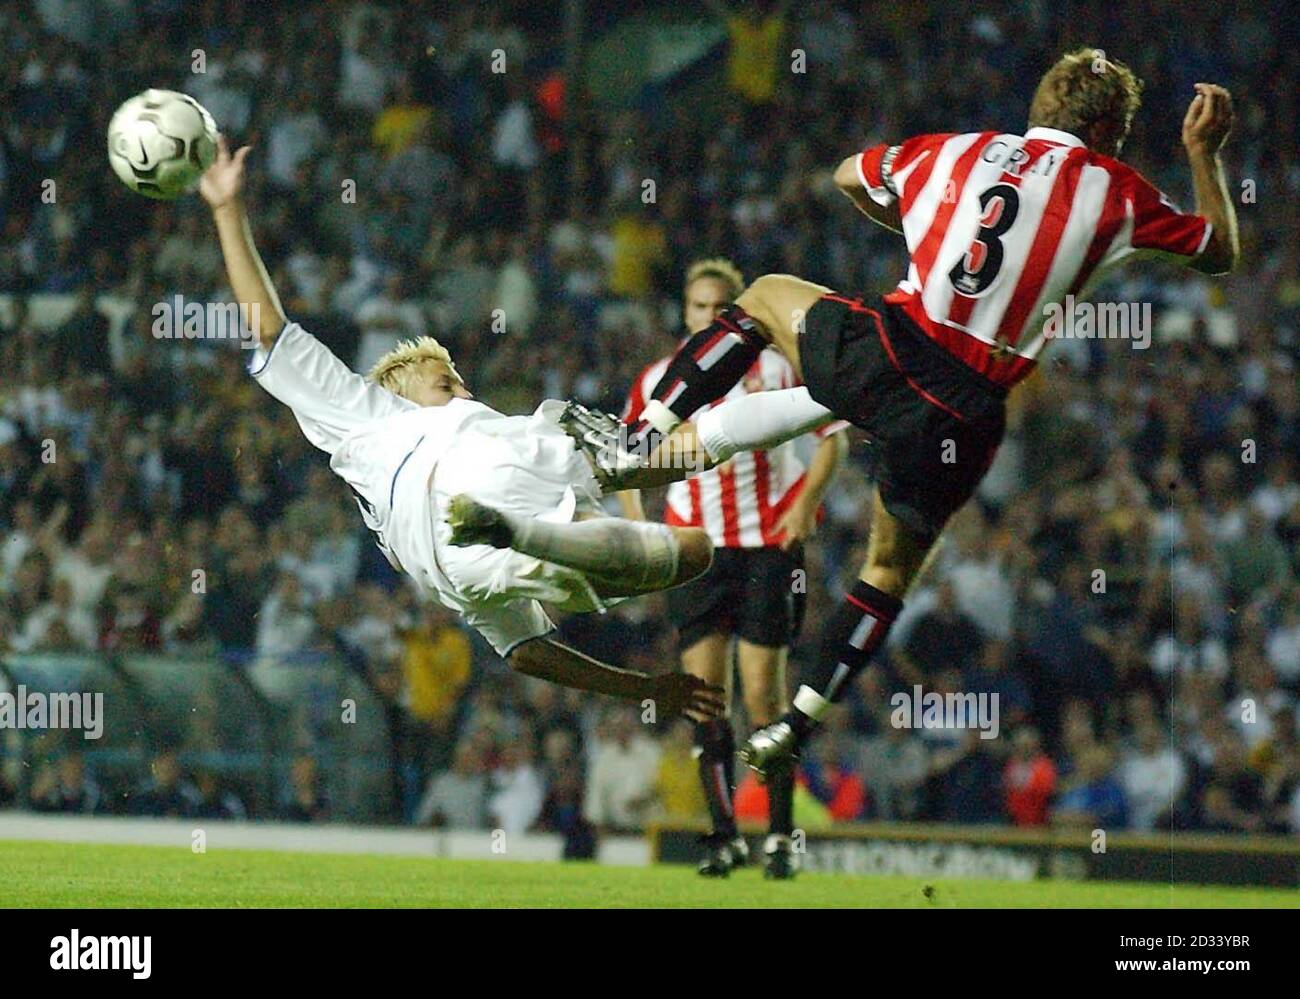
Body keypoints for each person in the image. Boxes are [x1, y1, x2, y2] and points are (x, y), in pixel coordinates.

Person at [564, 50, 1239, 777]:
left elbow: (849, 173)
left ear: (1040, 107)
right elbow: (1220, 249)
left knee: (762, 296)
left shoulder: (962, 149)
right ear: (1111, 132)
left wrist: (915, 221)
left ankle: (643, 435)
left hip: (888, 348)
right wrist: (1204, 153)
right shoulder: (1117, 190)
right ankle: (798, 720)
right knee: (887, 568)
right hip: (965, 409)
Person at [198, 138, 723, 722]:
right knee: (640, 465)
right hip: (469, 527)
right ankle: (782, 379)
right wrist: (227, 210)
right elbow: (269, 330)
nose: (465, 393)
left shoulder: (438, 492)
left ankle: (554, 527)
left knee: (696, 549)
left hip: (467, 559)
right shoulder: (368, 414)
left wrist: (643, 691)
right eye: (447, 384)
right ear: (398, 392)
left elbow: (525, 651)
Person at [620, 258, 848, 878]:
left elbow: (834, 438)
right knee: (705, 700)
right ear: (686, 314)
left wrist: (805, 503)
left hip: (766, 549)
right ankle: (722, 838)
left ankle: (778, 835)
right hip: (694, 551)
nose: (706, 317)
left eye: (719, 308)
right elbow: (625, 459)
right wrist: (639, 532)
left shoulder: (776, 367)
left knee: (763, 696)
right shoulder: (660, 380)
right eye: (698, 308)